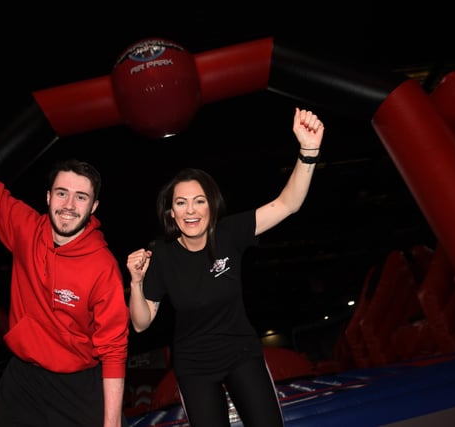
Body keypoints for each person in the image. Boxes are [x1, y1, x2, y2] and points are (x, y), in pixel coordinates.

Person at [0, 64, 130, 427]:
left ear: (94, 207)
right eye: (62, 193)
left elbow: (113, 349)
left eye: (81, 197)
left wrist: (111, 423)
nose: (69, 205)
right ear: (48, 196)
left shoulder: (102, 266)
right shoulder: (25, 228)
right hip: (22, 381)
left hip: (77, 387)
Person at [126, 108, 325, 426]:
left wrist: (309, 150)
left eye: (199, 200)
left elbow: (288, 203)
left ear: (211, 206)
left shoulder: (230, 233)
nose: (191, 210)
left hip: (241, 353)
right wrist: (136, 283)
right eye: (181, 203)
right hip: (194, 366)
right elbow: (140, 323)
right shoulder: (161, 255)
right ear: (171, 213)